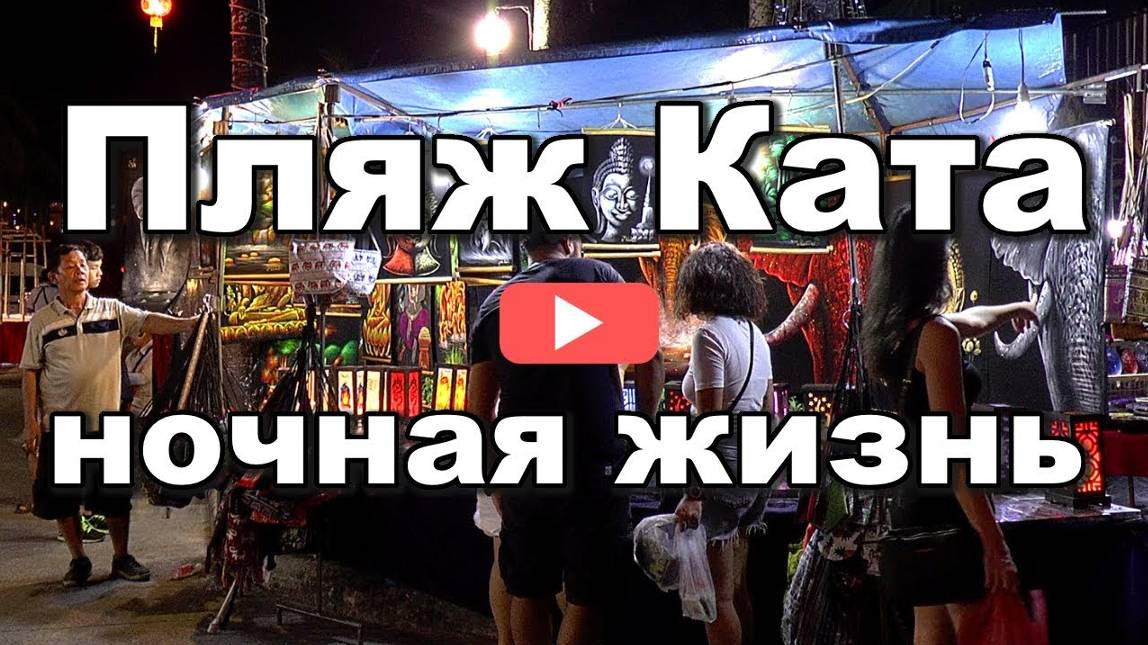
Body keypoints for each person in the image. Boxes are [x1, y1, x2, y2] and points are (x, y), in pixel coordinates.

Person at [467, 229, 664, 645]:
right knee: (588, 595)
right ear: (571, 242)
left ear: (525, 247)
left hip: (525, 460)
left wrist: (493, 478)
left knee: (528, 588)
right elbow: (651, 359)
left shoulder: (494, 304)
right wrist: (643, 424)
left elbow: (479, 409)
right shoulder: (601, 277)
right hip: (594, 460)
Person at [862, 209, 1033, 644]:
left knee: (931, 632)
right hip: (948, 513)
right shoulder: (937, 335)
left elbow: (974, 320)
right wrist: (994, 542)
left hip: (912, 509)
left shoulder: (894, 333)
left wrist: (1015, 308)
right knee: (980, 631)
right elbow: (954, 454)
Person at [21, 243, 199, 587]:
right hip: (61, 425)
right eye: (70, 266)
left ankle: (121, 557)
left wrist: (189, 323)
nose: (80, 270)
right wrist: (31, 421)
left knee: (116, 498)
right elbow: (30, 371)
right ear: (54, 276)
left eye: (82, 265)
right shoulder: (42, 321)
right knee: (63, 500)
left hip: (107, 423)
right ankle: (78, 560)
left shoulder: (111, 310)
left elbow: (149, 321)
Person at [670, 242, 773, 645]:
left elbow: (709, 422)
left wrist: (694, 493)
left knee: (716, 599)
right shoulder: (756, 337)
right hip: (756, 466)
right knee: (738, 591)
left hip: (722, 472)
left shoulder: (709, 336)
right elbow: (766, 409)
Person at [124, 333, 153, 416]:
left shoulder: (152, 353)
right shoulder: (132, 353)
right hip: (129, 404)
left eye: (139, 334)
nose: (132, 337)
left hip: (142, 407)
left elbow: (144, 378)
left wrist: (122, 377)